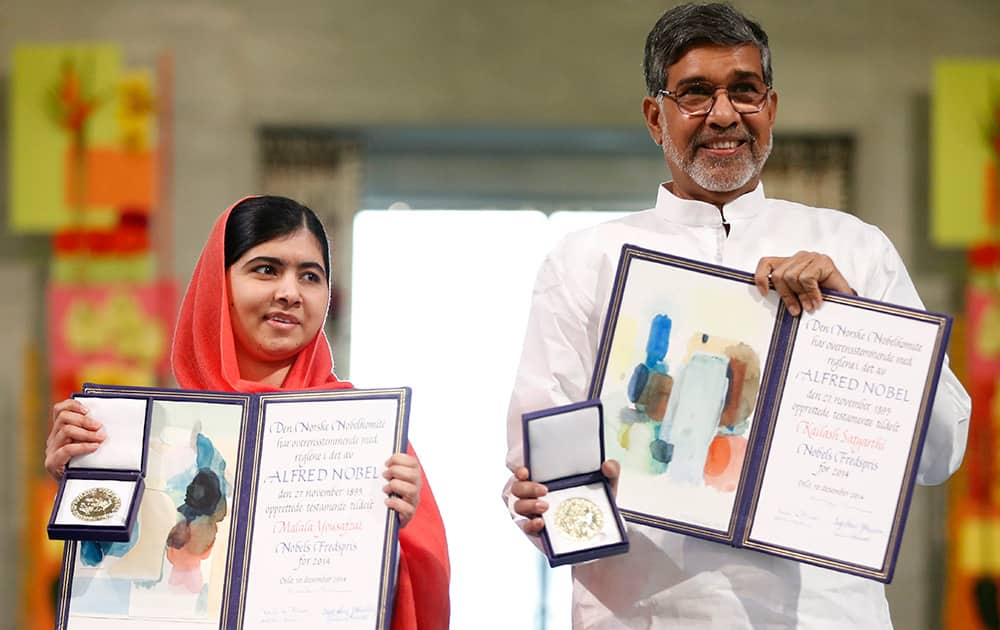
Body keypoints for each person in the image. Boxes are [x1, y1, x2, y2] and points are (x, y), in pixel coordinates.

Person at [504, 4, 970, 629]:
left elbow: (941, 451)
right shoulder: (587, 262)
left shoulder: (855, 248)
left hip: (825, 615)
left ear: (770, 108)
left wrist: (854, 322)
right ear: (655, 117)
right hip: (643, 611)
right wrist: (543, 505)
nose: (724, 115)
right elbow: (543, 464)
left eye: (744, 91)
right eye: (695, 94)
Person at [46, 195, 450, 629]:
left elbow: (421, 592)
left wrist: (395, 532)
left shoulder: (369, 437)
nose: (289, 293)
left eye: (310, 276)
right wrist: (84, 478)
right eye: (266, 269)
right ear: (219, 287)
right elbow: (107, 586)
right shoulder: (157, 433)